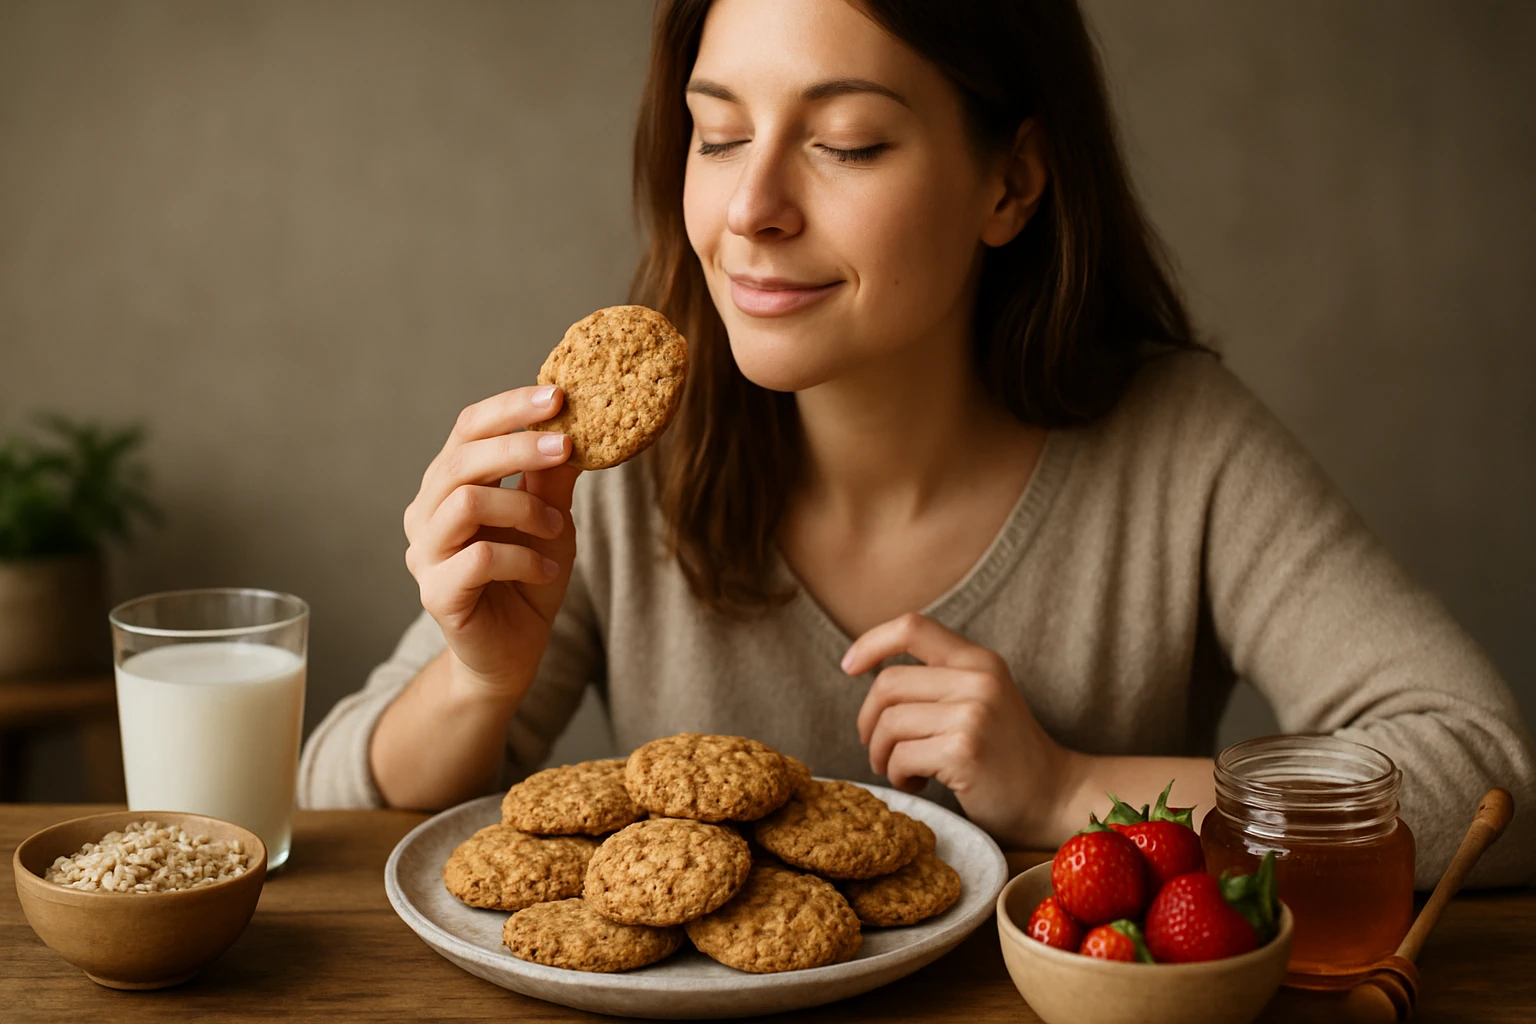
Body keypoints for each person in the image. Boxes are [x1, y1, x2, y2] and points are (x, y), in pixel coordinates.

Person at [298, 0, 1534, 887]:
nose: (751, 210)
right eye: (718, 133)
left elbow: (1488, 782)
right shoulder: (625, 470)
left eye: (846, 143)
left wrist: (1070, 789)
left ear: (1013, 183)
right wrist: (476, 680)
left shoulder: (1182, 449)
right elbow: (331, 808)